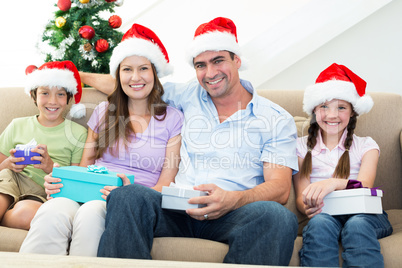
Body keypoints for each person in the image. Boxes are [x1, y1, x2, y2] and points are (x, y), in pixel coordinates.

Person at [80, 17, 299, 265]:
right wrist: (75, 76)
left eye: (218, 61)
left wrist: (233, 199)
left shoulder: (275, 118)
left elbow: (280, 189)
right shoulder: (186, 94)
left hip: (233, 212)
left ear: (237, 60)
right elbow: (133, 83)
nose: (210, 73)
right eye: (200, 65)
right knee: (127, 196)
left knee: (278, 217)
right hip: (174, 209)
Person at [19, 24, 183, 256]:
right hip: (88, 191)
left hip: (130, 203)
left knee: (92, 213)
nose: (135, 77)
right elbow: (85, 167)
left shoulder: (173, 118)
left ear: (155, 73)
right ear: (118, 74)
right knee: (52, 210)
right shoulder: (104, 110)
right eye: (127, 69)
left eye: (143, 68)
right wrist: (60, 181)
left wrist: (130, 195)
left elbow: (166, 183)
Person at [293, 63, 393, 267]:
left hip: (367, 216)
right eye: (324, 106)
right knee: (319, 224)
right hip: (325, 215)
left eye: (341, 107)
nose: (332, 115)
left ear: (352, 113)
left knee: (356, 225)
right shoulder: (300, 148)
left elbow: (364, 184)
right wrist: (308, 208)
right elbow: (300, 197)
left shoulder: (367, 145)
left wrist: (333, 184)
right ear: (314, 109)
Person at [0, 61, 87, 231]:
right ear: (34, 96)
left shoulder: (78, 133)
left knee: (24, 215)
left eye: (60, 94)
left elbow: (77, 182)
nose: (52, 101)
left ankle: (8, 214)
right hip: (11, 179)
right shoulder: (17, 125)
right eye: (45, 93)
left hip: (43, 191)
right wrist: (8, 164)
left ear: (69, 98)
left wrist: (50, 167)